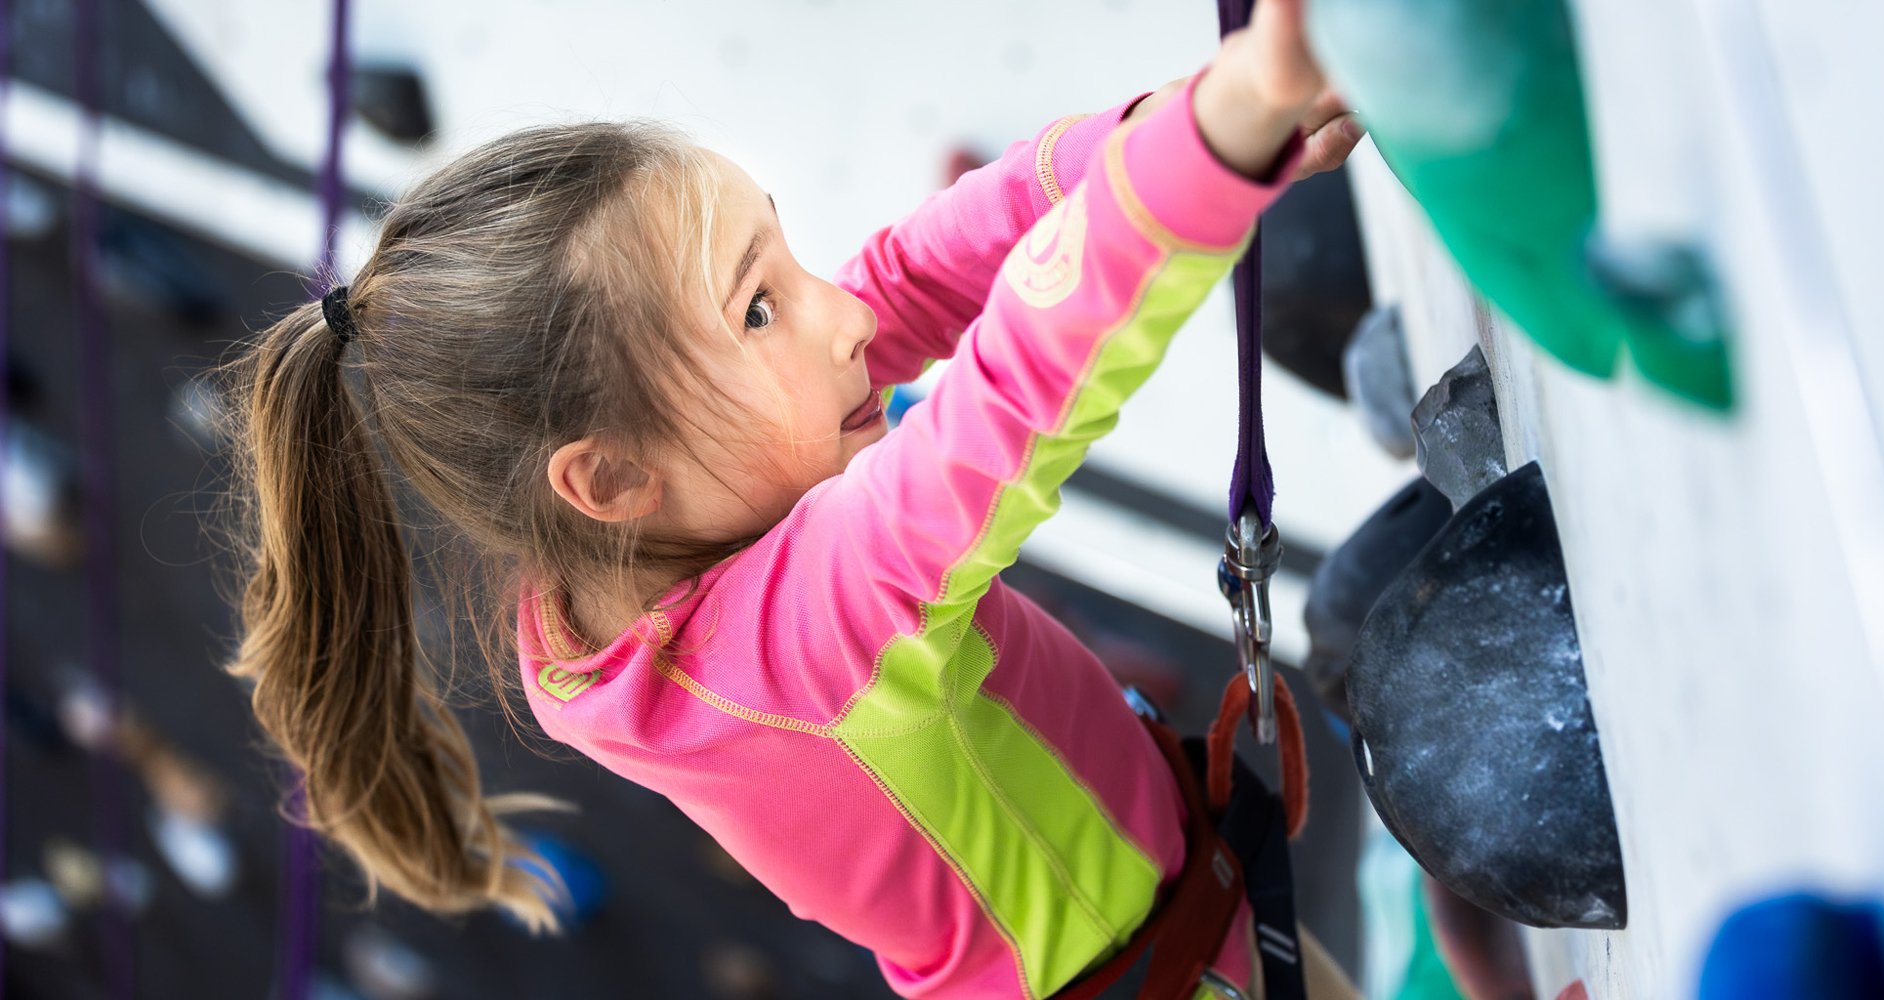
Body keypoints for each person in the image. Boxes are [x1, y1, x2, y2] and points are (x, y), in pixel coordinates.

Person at [220, 1, 1365, 996]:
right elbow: (1022, 391)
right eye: (760, 307)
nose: (844, 318)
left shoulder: (597, 595)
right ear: (607, 475)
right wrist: (1209, 145)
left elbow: (905, 279)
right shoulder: (805, 648)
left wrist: (1145, 141)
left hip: (1170, 910)